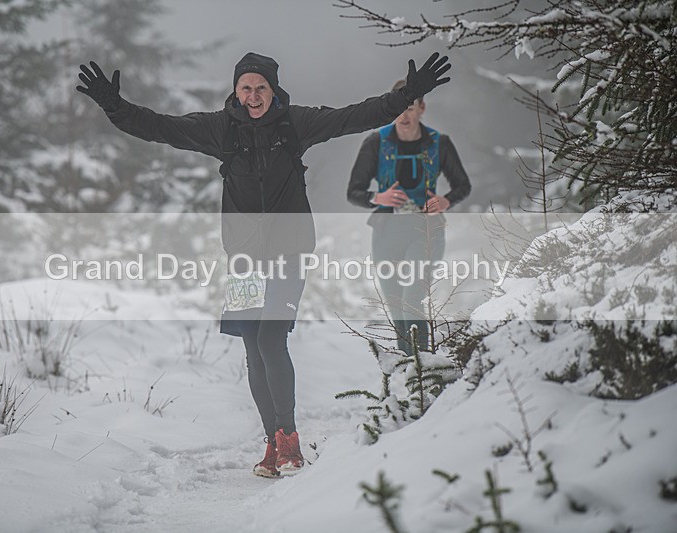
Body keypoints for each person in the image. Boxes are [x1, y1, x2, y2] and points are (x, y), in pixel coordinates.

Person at [76, 52, 451, 477]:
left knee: (271, 339)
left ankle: (288, 438)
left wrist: (405, 94)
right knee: (253, 345)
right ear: (235, 91)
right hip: (243, 260)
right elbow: (158, 127)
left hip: (289, 251)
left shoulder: (295, 124)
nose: (253, 96)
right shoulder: (219, 129)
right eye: (246, 88)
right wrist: (115, 106)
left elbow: (355, 116)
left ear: (274, 91)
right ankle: (272, 442)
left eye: (261, 88)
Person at [347, 79, 471, 355]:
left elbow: (462, 185)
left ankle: (423, 370)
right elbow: (354, 192)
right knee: (394, 303)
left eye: (410, 107)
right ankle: (409, 371)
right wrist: (377, 198)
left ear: (422, 108)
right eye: (399, 109)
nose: (404, 115)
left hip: (427, 230)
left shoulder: (440, 143)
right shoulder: (375, 143)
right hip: (386, 230)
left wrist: (446, 200)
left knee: (412, 297)